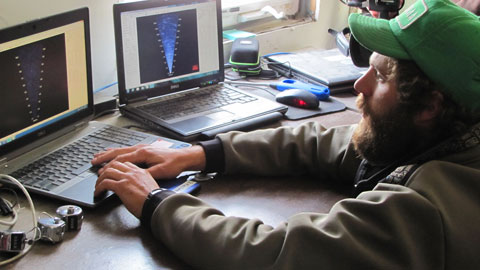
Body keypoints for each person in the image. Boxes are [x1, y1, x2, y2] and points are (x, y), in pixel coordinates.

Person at [92, 0, 480, 268]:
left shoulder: (429, 211)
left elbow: (270, 254)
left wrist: (155, 201)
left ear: (429, 105)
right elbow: (324, 143)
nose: (360, 84)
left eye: (379, 77)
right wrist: (202, 154)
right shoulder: (445, 135)